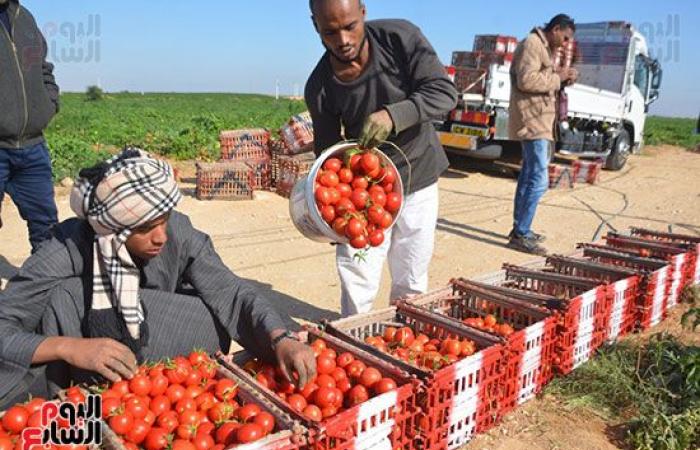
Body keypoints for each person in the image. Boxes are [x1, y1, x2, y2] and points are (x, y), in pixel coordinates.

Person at [0, 148, 317, 409]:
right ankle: (81, 399)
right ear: (113, 230)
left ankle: (135, 389)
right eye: (143, 228)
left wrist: (279, 338)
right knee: (64, 296)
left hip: (158, 335)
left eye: (163, 219)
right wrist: (68, 348)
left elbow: (231, 291)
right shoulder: (65, 249)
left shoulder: (178, 232)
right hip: (77, 357)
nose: (160, 237)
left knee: (218, 311)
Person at [304, 0, 458, 317]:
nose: (343, 41)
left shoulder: (400, 39)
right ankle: (355, 334)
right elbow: (329, 156)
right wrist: (332, 216)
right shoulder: (320, 86)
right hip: (363, 190)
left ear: (363, 12)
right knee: (358, 277)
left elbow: (444, 92)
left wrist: (393, 115)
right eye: (331, 32)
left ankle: (406, 332)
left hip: (418, 172)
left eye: (350, 26)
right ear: (315, 25)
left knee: (411, 273)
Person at [507, 14, 578, 255]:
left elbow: (536, 76)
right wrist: (558, 77)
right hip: (533, 121)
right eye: (565, 37)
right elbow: (526, 80)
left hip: (538, 120)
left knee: (528, 176)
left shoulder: (541, 47)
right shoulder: (533, 44)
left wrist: (560, 77)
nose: (566, 43)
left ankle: (520, 229)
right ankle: (522, 232)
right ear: (556, 29)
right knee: (539, 179)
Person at [0, 0, 60, 251]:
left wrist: (50, 100)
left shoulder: (25, 17)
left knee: (46, 227)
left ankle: (46, 286)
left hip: (33, 146)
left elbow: (43, 67)